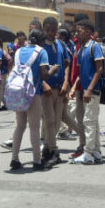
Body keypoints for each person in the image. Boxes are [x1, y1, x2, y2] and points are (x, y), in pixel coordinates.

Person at [9, 29, 57, 171]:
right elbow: (44, 75)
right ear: (41, 41)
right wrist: (53, 70)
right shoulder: (41, 52)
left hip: (18, 92)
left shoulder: (18, 52)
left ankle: (14, 158)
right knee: (34, 127)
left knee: (20, 126)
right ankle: (37, 160)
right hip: (33, 93)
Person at [68, 19, 105, 165]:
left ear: (89, 32)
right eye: (76, 30)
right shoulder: (82, 48)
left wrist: (89, 89)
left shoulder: (94, 47)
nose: (77, 33)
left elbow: (99, 69)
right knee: (92, 121)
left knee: (89, 121)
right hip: (84, 89)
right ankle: (96, 151)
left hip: (92, 90)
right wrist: (74, 88)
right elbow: (79, 73)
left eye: (80, 30)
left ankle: (88, 153)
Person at [40, 17, 71, 168]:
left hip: (60, 89)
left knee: (57, 122)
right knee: (49, 120)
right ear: (43, 29)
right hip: (46, 90)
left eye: (54, 30)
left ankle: (47, 147)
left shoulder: (61, 44)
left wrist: (66, 83)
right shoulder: (39, 46)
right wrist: (43, 83)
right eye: (48, 30)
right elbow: (34, 69)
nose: (51, 33)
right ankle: (54, 151)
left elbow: (67, 64)